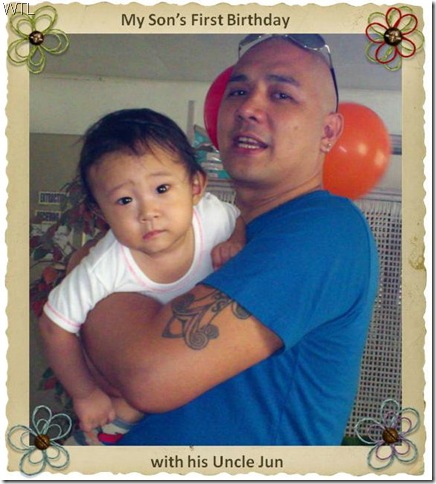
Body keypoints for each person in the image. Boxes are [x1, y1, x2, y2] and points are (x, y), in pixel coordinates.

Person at [76, 34, 379, 445]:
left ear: (328, 132)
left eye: (281, 95)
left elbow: (150, 376)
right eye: (238, 91)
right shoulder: (205, 227)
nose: (247, 108)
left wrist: (87, 280)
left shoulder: (326, 228)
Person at [38, 108, 245, 445]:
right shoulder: (103, 266)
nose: (148, 212)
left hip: (195, 358)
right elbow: (53, 326)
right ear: (100, 212)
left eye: (162, 188)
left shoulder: (212, 217)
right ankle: (93, 443)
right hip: (132, 370)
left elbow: (241, 218)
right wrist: (85, 393)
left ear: (195, 186)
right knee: (125, 406)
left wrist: (236, 240)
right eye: (124, 200)